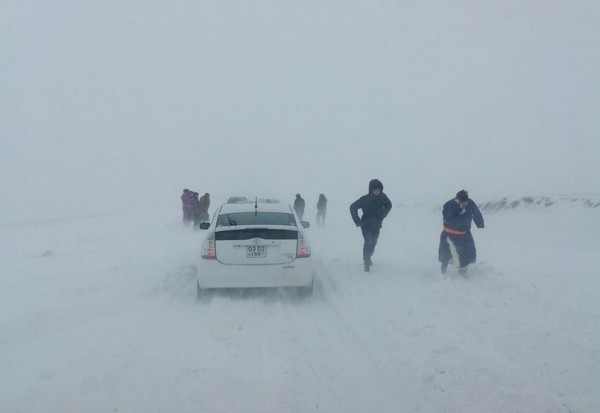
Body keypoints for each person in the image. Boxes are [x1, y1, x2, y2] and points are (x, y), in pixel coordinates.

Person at [438, 190, 485, 275]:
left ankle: (462, 272)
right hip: (449, 234)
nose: (465, 204)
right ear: (458, 199)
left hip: (464, 234)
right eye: (463, 202)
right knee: (445, 253)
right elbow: (447, 218)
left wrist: (480, 223)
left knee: (468, 253)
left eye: (466, 201)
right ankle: (443, 271)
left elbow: (476, 212)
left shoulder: (470, 203)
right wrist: (459, 211)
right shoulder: (450, 204)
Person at [349, 179, 392, 272]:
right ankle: (366, 262)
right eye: (375, 189)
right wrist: (358, 221)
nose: (377, 191)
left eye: (379, 189)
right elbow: (352, 207)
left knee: (374, 243)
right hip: (366, 225)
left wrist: (383, 215)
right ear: (371, 190)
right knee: (368, 242)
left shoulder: (383, 197)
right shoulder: (365, 199)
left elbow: (389, 205)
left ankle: (369, 257)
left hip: (377, 225)